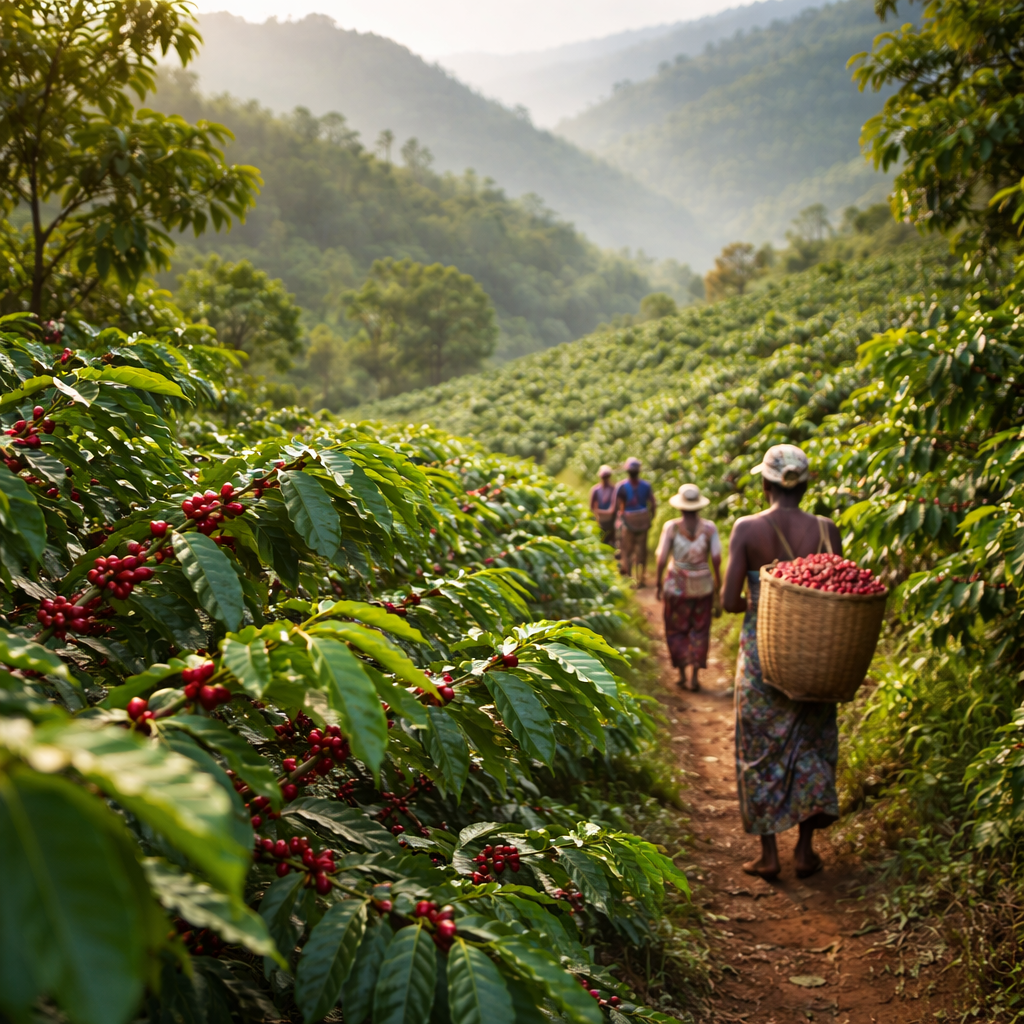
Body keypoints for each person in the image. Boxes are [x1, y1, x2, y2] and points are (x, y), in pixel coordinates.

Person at [721, 443, 841, 881]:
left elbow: (729, 601)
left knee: (760, 749)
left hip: (762, 657)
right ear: (804, 485)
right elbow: (836, 593)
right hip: (817, 657)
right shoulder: (828, 529)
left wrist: (758, 594)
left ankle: (769, 854)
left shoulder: (747, 529)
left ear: (765, 483)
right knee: (811, 743)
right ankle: (805, 851)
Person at [656, 484, 722, 692]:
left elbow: (661, 557)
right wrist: (717, 585)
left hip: (677, 586)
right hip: (703, 585)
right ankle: (695, 676)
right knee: (700, 629)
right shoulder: (710, 528)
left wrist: (658, 582)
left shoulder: (672, 527)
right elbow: (717, 558)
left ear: (681, 507)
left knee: (677, 628)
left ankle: (682, 673)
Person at [616, 457, 655, 585]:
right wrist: (651, 518)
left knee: (627, 550)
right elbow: (653, 504)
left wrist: (620, 518)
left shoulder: (622, 486)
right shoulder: (646, 486)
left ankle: (630, 577)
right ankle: (641, 577)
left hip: (629, 520)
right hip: (643, 520)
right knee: (641, 549)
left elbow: (620, 507)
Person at [590, 465, 618, 547]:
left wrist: (599, 512)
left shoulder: (614, 489)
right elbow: (592, 508)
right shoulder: (596, 490)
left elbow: (613, 509)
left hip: (611, 521)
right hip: (600, 520)